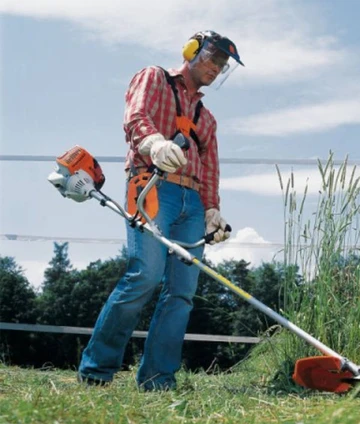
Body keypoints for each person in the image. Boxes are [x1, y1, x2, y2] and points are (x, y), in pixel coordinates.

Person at [78, 30, 243, 391]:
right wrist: (153, 143)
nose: (216, 68)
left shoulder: (208, 119)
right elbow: (136, 115)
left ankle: (157, 379)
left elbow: (210, 166)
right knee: (144, 275)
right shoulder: (154, 77)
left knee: (181, 293)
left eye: (223, 65)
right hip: (151, 187)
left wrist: (213, 210)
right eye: (212, 58)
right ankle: (97, 370)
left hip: (193, 204)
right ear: (192, 50)